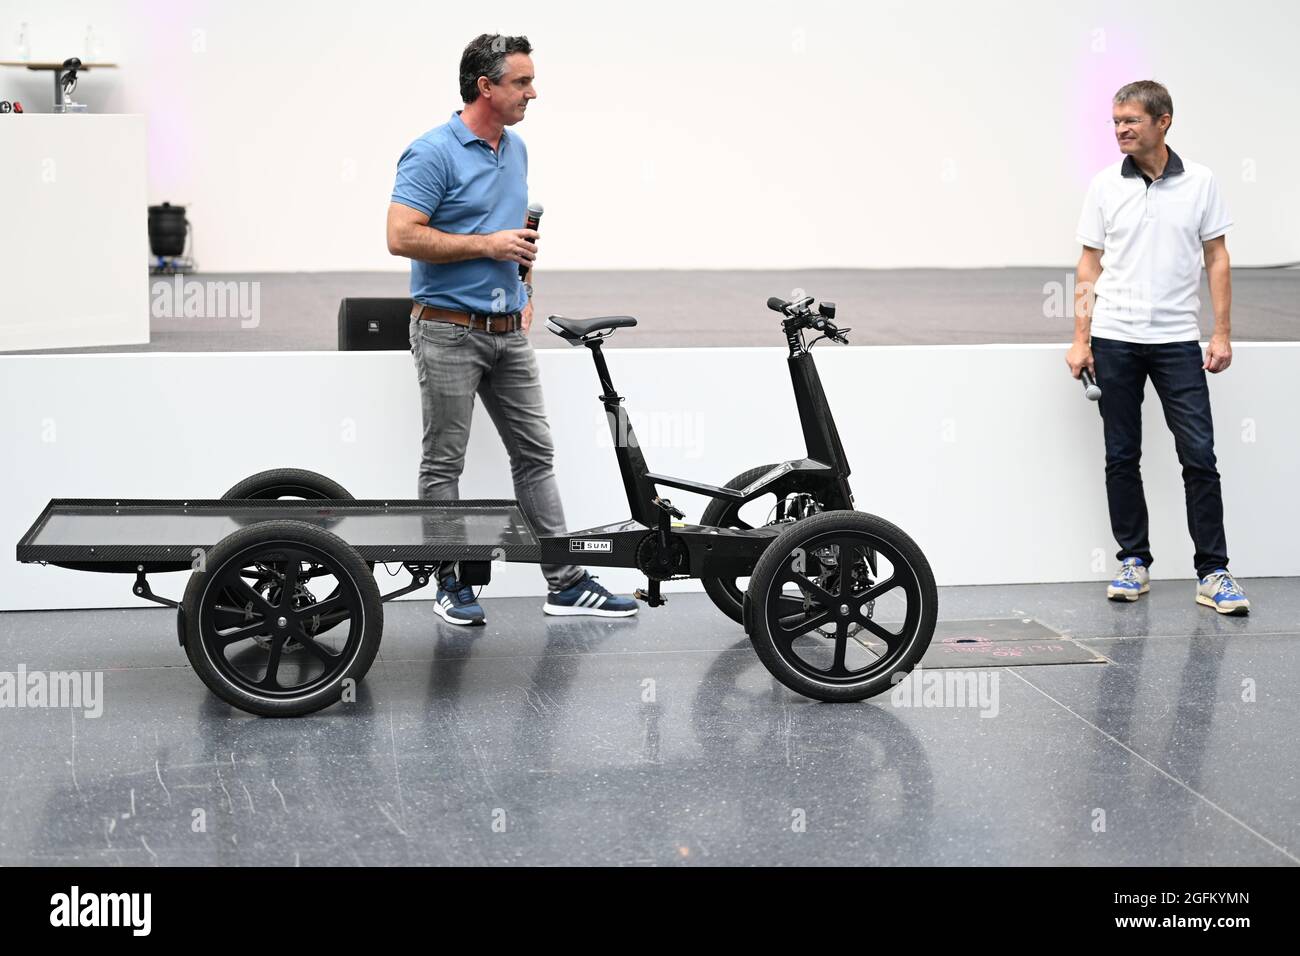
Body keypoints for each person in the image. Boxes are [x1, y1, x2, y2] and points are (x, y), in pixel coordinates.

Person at [386, 33, 637, 625]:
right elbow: (400, 236)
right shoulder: (432, 152)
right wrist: (487, 244)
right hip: (447, 330)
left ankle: (566, 582)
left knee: (535, 454)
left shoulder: (516, 148)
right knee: (444, 461)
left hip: (507, 332)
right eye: (522, 82)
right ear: (486, 87)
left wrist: (524, 285)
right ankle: (450, 581)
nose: (533, 91)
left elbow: (513, 238)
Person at [1066, 80, 1248, 614]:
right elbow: (1088, 264)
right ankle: (1133, 562)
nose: (1121, 129)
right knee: (1121, 455)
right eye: (1116, 121)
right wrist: (1080, 338)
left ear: (1163, 121)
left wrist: (1221, 332)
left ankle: (1213, 573)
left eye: (1131, 121)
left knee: (1200, 456)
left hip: (1176, 341)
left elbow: (1217, 257)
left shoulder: (1201, 182)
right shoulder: (1104, 185)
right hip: (1115, 338)